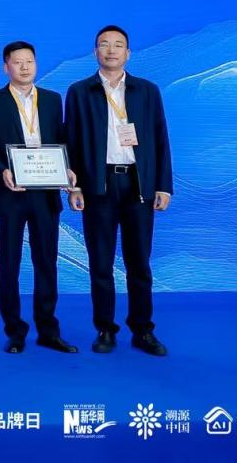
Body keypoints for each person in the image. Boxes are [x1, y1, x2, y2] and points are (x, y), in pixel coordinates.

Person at [64, 25, 173, 357]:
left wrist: (163, 185)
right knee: (100, 262)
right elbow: (72, 141)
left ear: (128, 53)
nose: (111, 50)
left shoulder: (147, 91)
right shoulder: (79, 92)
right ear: (95, 52)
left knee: (139, 262)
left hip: (138, 185)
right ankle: (105, 329)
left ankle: (143, 330)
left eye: (118, 45)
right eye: (104, 44)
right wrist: (74, 186)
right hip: (98, 185)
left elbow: (160, 138)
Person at [0, 41, 78, 354]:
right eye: (17, 62)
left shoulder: (52, 99)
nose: (24, 67)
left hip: (46, 194)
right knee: (9, 262)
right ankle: (15, 331)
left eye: (29, 61)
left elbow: (62, 142)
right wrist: (1, 170)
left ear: (36, 64)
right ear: (6, 67)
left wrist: (67, 170)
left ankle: (48, 330)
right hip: (10, 194)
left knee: (46, 261)